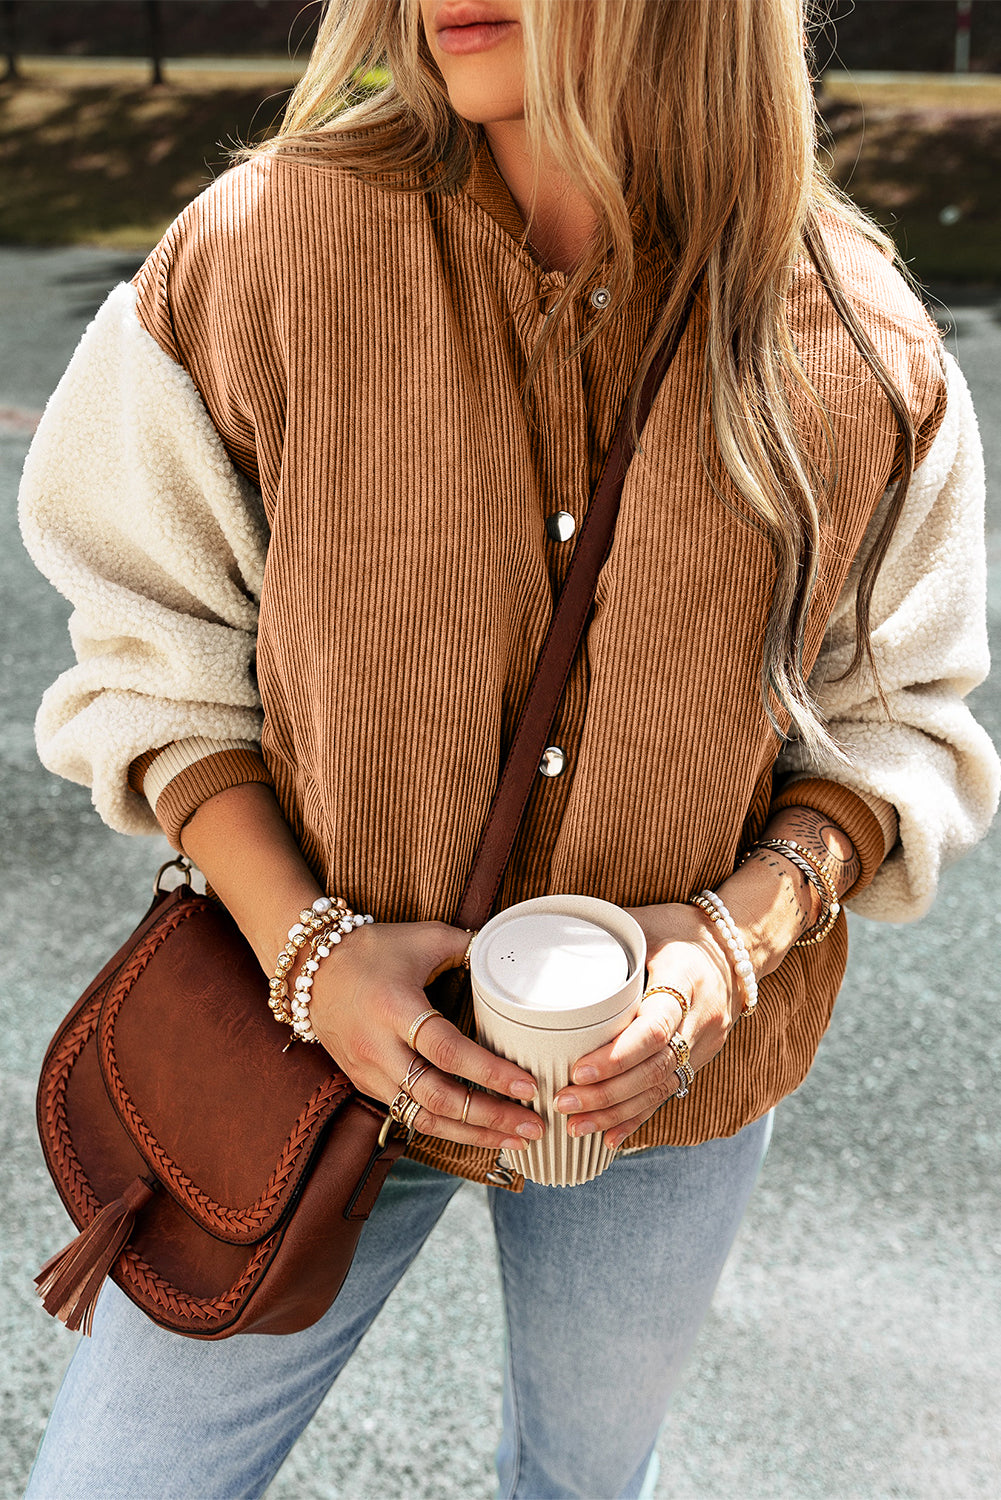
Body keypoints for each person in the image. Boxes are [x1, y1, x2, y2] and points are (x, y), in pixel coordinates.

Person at [18, 1, 998, 1496]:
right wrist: (312, 956)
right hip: (301, 1062)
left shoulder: (855, 342)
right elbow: (158, 659)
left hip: (662, 1100)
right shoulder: (258, 252)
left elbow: (892, 727)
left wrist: (728, 950)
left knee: (585, 1486)